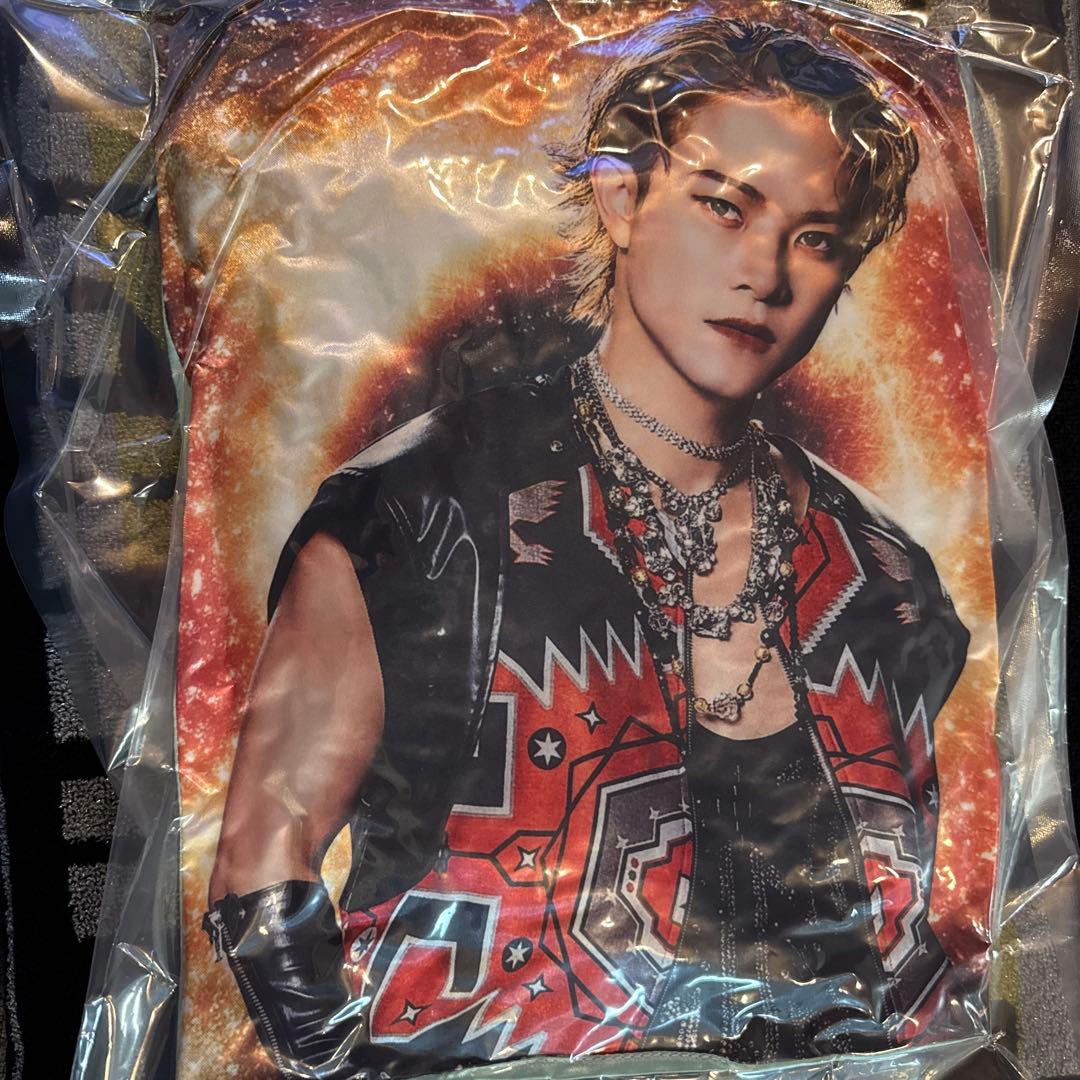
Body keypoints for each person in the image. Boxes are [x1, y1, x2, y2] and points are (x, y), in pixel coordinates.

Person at [203, 14, 971, 1077]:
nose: (765, 273)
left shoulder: (885, 575)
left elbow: (911, 941)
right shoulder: (426, 515)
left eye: (817, 238)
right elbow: (261, 867)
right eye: (725, 208)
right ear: (620, 198)